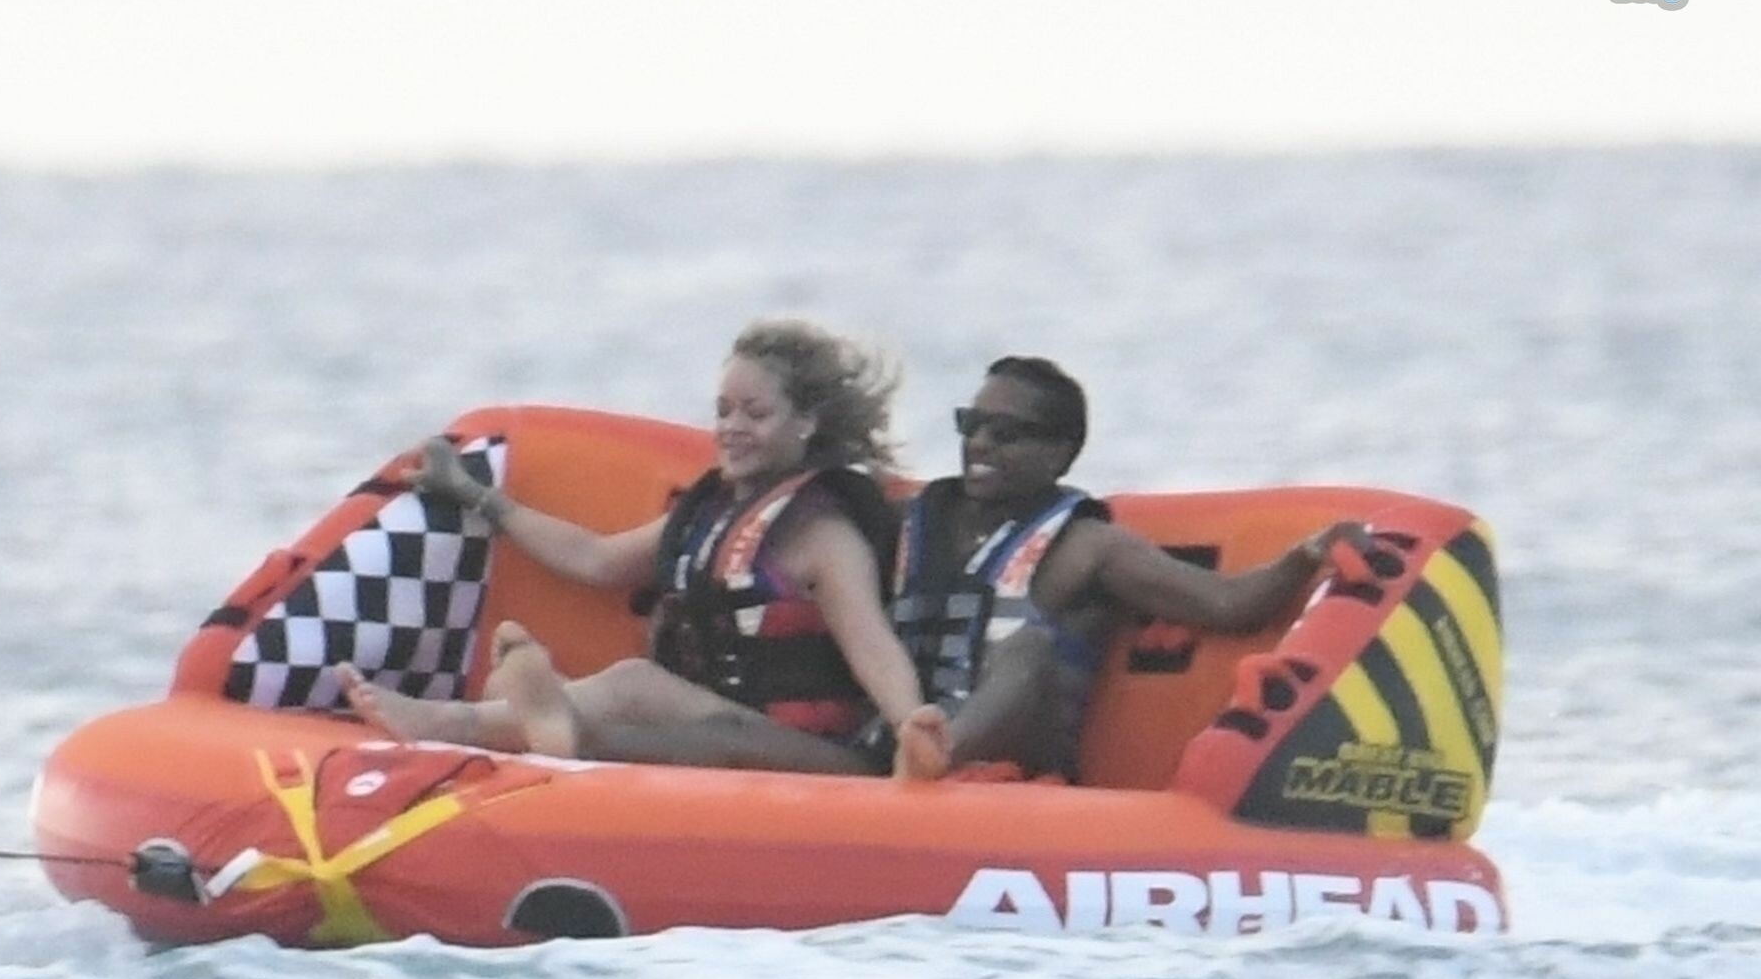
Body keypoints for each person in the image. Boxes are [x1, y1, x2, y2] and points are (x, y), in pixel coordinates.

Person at [337, 319, 949, 775]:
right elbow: (595, 558)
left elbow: (872, 646)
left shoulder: (822, 533)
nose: (732, 428)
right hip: (719, 721)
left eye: (755, 413)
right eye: (724, 411)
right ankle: (541, 723)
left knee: (643, 687)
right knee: (648, 704)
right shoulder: (714, 512)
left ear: (806, 423)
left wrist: (911, 725)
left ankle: (473, 721)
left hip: (823, 755)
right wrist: (476, 496)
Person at [886, 356, 1367, 783]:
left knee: (1028, 648)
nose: (979, 443)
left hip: (1016, 759)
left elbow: (1229, 602)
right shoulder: (912, 524)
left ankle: (936, 753)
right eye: (970, 424)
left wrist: (1309, 552)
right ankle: (904, 765)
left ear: (1060, 454)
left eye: (1004, 433)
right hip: (891, 749)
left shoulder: (1089, 546)